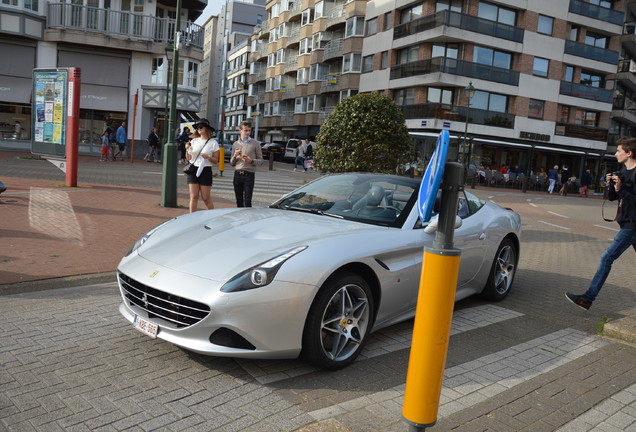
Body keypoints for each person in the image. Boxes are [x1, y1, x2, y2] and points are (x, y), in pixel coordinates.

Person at [566, 138, 636, 310]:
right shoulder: (623, 170)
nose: (615, 153)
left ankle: (587, 299)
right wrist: (611, 185)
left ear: (629, 153)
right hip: (626, 222)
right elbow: (613, 197)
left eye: (619, 150)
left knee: (607, 257)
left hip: (633, 225)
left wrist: (622, 189)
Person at [185, 119, 219, 213]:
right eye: (197, 128)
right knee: (194, 196)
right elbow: (189, 158)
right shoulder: (194, 141)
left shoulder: (213, 143)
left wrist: (208, 157)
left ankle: (212, 216)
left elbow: (216, 160)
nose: (198, 129)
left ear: (207, 128)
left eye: (201, 127)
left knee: (206, 197)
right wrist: (187, 149)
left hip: (206, 170)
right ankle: (192, 218)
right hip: (193, 169)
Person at [231, 121, 263, 207]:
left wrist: (251, 161)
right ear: (240, 130)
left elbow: (261, 161)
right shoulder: (235, 144)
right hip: (237, 174)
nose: (248, 133)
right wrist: (234, 156)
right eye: (246, 130)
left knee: (248, 202)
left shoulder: (255, 143)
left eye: (249, 130)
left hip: (249, 174)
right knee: (239, 201)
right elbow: (232, 163)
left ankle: (248, 219)